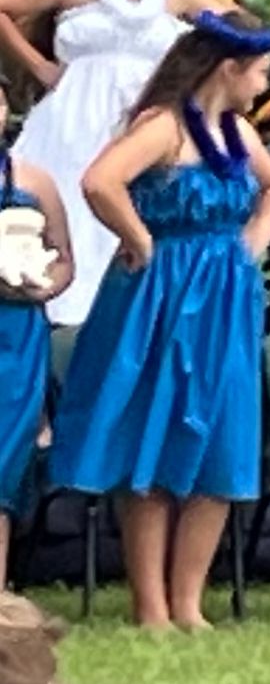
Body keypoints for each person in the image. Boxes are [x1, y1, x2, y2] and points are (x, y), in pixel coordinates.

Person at [48, 11, 270, 632]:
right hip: (160, 297)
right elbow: (101, 180)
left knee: (220, 439)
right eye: (260, 73)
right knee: (151, 439)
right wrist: (139, 237)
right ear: (228, 68)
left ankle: (188, 602)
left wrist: (254, 239)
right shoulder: (164, 127)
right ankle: (150, 606)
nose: (264, 85)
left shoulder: (236, 133)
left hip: (225, 298)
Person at [0, 0, 217, 323]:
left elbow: (239, 34)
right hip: (71, 120)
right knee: (66, 208)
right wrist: (40, 67)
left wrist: (191, 89)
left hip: (145, 125)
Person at [0, 138, 74, 587]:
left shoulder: (33, 179)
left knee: (3, 458)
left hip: (16, 332)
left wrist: (41, 287)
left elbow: (64, 259)